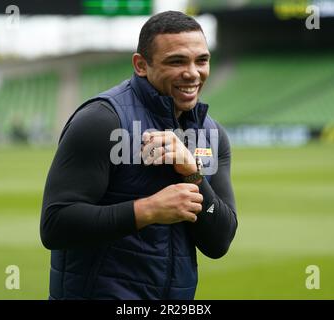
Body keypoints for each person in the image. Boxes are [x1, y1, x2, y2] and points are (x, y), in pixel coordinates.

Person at [40, 11, 238, 300]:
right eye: (177, 61)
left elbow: (219, 240)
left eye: (202, 60)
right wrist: (148, 210)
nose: (193, 73)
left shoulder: (211, 134)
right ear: (141, 65)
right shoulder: (101, 121)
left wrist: (193, 173)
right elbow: (55, 225)